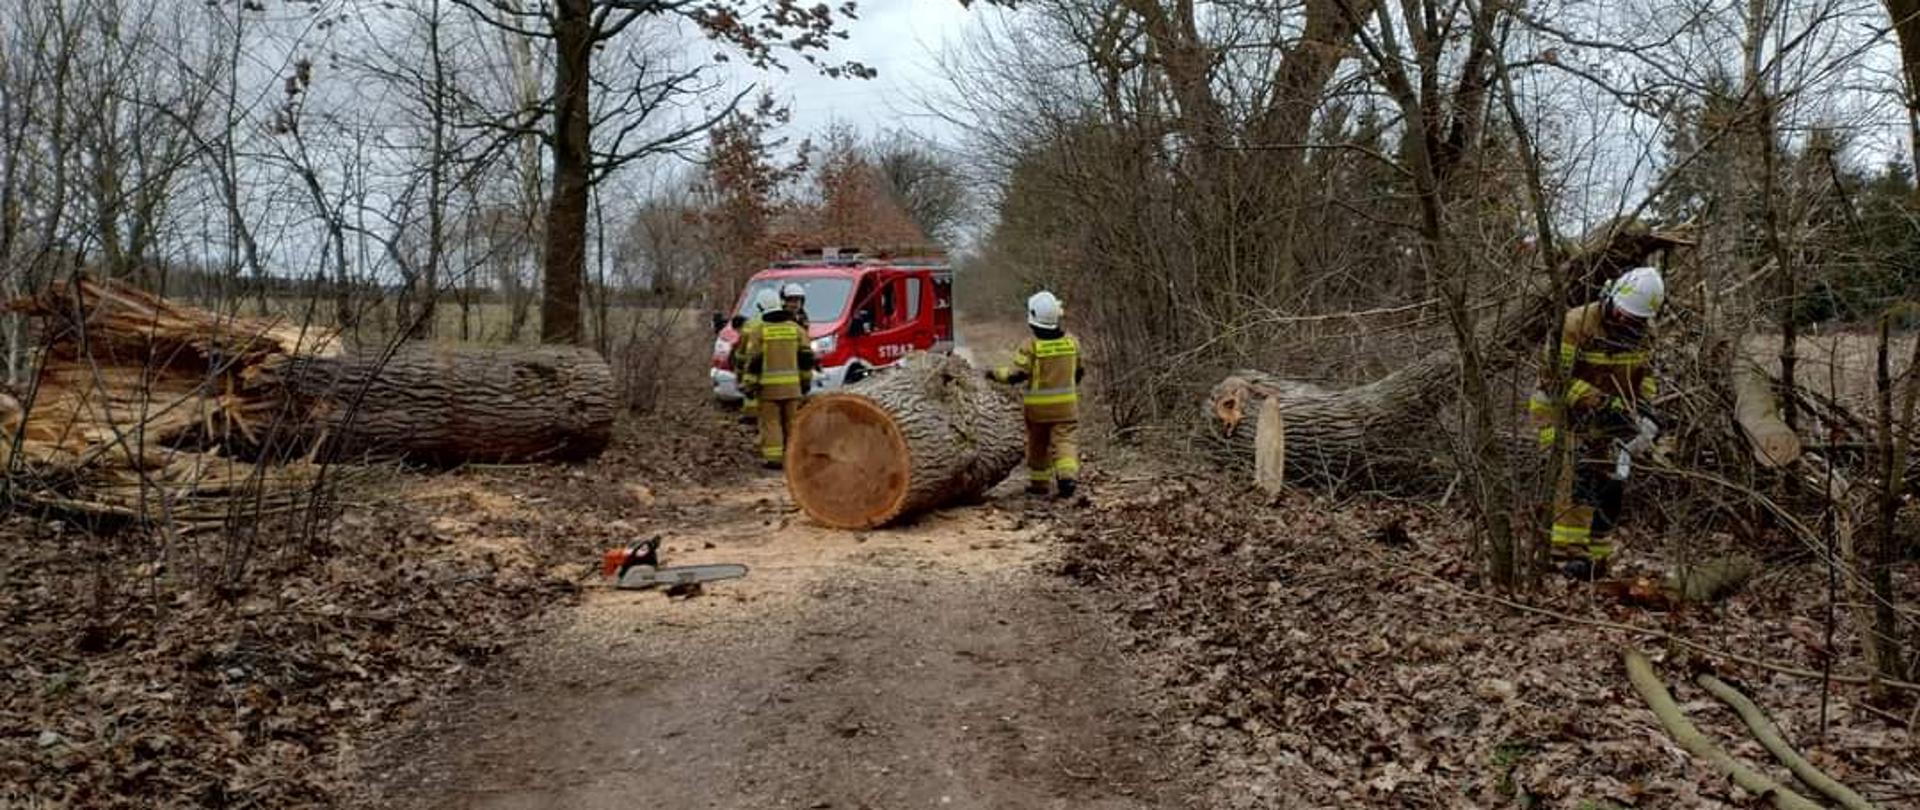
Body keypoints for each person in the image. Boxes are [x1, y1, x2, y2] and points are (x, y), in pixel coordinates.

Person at [1529, 265, 1665, 580]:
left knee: (1611, 482)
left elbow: (1646, 378)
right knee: (1573, 474)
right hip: (1560, 412)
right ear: (1610, 296)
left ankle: (1596, 559)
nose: (1622, 322)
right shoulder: (1576, 324)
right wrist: (1603, 403)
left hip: (1611, 414)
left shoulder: (1643, 335)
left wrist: (1644, 411)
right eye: (1621, 314)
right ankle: (1562, 558)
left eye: (1632, 320)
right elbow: (1555, 377)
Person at [988, 290, 1085, 498]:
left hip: (1037, 411)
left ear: (1033, 319)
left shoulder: (1030, 346)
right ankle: (1067, 478)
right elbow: (1079, 372)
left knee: (1038, 445)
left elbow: (1016, 375)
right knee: (1065, 442)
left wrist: (993, 373)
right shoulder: (1072, 343)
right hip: (1067, 408)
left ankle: (1039, 484)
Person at [744, 293, 816, 469]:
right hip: (793, 388)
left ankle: (774, 459)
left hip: (768, 389)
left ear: (761, 308)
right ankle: (795, 457)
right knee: (793, 422)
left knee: (771, 423)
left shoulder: (758, 331)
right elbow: (806, 358)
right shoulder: (797, 329)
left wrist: (750, 385)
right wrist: (806, 382)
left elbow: (754, 362)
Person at [732, 288, 781, 420]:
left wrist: (739, 367)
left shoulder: (750, 325)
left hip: (754, 365)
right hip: (779, 367)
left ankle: (751, 415)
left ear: (759, 305)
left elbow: (742, 352)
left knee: (752, 392)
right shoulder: (786, 323)